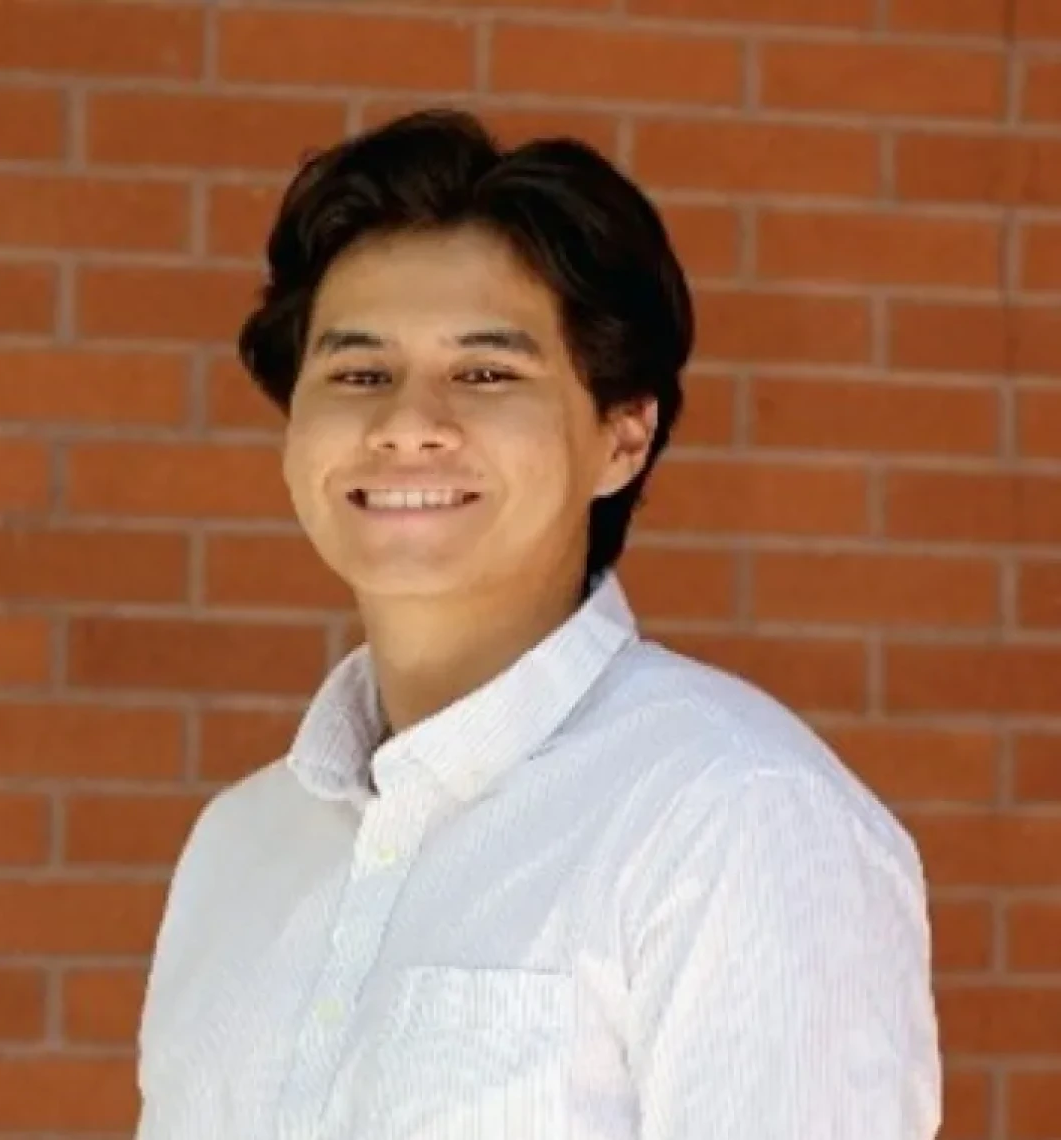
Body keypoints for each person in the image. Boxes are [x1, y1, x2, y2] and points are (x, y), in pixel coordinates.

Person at [134, 108, 941, 1139]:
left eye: (485, 373)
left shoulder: (734, 819)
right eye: (358, 372)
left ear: (623, 435)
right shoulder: (241, 846)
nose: (406, 424)